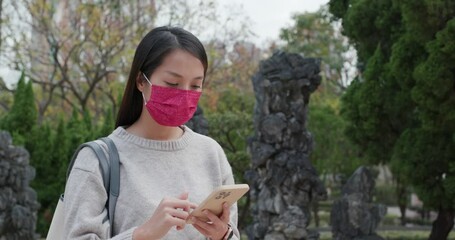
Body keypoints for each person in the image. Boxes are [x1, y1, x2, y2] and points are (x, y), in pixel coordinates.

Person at [63, 26, 239, 240]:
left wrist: (224, 235)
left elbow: (233, 234)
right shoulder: (97, 161)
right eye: (172, 83)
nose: (184, 94)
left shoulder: (211, 153)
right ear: (140, 81)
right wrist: (142, 234)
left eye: (195, 85)